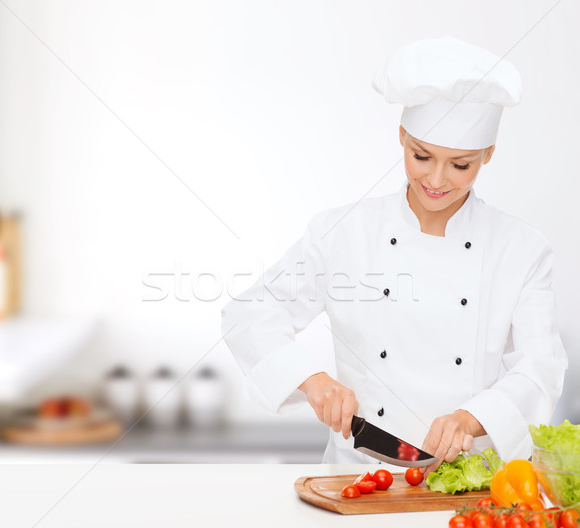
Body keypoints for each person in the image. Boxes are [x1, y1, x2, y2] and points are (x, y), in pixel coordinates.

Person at [221, 37, 567, 468]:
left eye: (461, 165)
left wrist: (472, 418)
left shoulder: (521, 249)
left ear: (488, 154)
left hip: (466, 483)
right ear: (402, 136)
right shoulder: (342, 232)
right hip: (360, 476)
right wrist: (312, 381)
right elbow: (251, 313)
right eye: (422, 156)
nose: (437, 179)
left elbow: (541, 367)